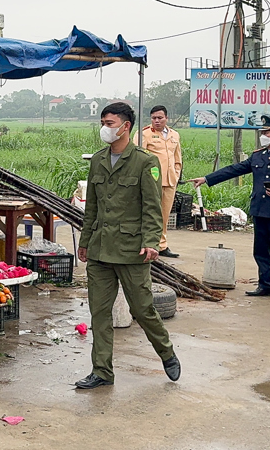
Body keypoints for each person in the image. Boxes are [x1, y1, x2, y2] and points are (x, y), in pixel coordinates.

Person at [75, 101, 180, 389]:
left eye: (109, 124)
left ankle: (166, 352)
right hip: (99, 249)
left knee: (143, 309)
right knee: (99, 313)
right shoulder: (97, 160)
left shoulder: (145, 162)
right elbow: (92, 208)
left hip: (132, 250)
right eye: (103, 123)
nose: (105, 129)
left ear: (125, 127)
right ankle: (102, 372)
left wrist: (151, 241)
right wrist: (84, 243)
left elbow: (152, 207)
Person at [189, 115, 270, 303]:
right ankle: (265, 284)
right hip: (260, 210)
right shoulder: (258, 155)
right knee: (261, 251)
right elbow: (234, 169)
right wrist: (207, 179)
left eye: (266, 132)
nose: (263, 135)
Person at [140, 105, 183, 258]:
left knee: (164, 215)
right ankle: (147, 243)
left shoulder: (174, 135)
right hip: (152, 180)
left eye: (160, 118)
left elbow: (178, 159)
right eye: (154, 118)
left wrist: (176, 174)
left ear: (166, 118)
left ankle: (162, 245)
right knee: (151, 213)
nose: (157, 121)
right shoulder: (144, 134)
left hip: (170, 180)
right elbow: (138, 157)